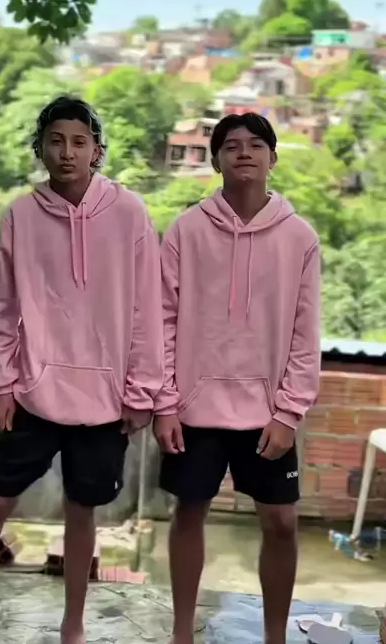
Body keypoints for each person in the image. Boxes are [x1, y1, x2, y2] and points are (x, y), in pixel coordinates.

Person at [0, 96, 164, 644]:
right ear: (40, 149)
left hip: (105, 399)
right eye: (56, 141)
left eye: (79, 142)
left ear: (97, 152)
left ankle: (73, 627)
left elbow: (149, 307)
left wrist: (142, 390)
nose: (67, 152)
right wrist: (3, 383)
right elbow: (3, 308)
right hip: (34, 391)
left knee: (82, 512)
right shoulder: (20, 217)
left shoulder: (130, 213)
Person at [154, 113, 321, 644]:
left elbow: (305, 332)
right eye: (231, 145)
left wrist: (289, 411)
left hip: (267, 414)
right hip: (194, 410)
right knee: (188, 514)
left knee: (282, 522)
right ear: (216, 160)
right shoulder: (186, 230)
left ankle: (275, 637)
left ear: (273, 157)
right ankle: (182, 632)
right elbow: (160, 319)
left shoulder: (300, 238)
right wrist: (165, 402)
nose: (244, 152)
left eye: (255, 144)